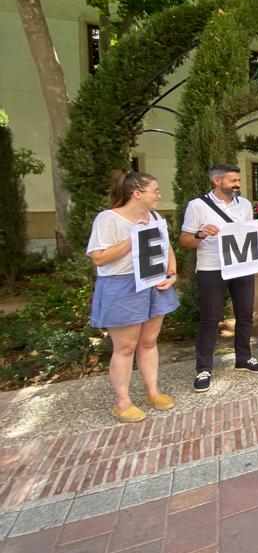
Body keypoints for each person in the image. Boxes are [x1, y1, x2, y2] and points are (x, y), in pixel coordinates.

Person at [88, 171, 178, 422]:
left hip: (153, 282)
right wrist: (132, 239)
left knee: (149, 341)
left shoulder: (155, 217)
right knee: (125, 346)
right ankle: (123, 402)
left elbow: (166, 248)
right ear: (137, 193)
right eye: (155, 190)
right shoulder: (108, 219)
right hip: (121, 285)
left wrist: (172, 273)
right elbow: (99, 257)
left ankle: (153, 391)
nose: (159, 195)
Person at [181, 164, 258, 393]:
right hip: (212, 269)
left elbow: (245, 234)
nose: (238, 184)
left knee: (245, 315)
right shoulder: (197, 206)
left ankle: (244, 357)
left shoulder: (245, 205)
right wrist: (201, 234)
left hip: (242, 265)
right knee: (210, 319)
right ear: (217, 181)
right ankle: (203, 368)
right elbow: (185, 241)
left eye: (239, 180)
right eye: (233, 180)